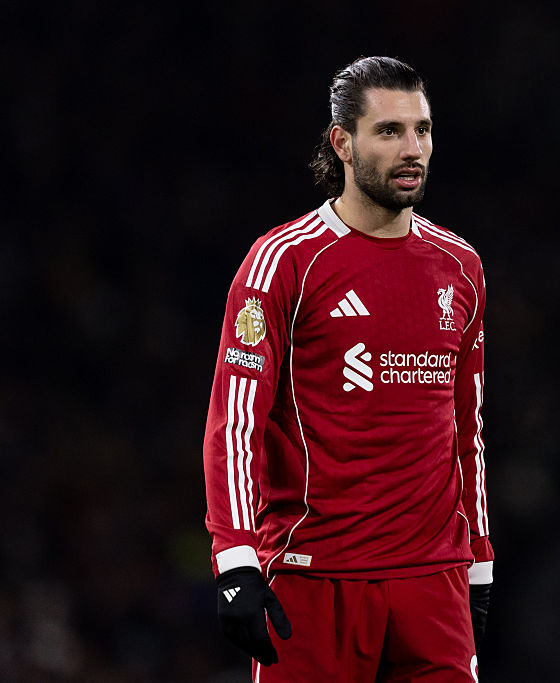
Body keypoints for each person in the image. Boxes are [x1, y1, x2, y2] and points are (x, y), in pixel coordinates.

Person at [202, 56, 492, 682]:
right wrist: (236, 558)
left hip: (432, 582)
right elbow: (236, 422)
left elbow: (466, 428)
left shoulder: (460, 267)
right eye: (389, 131)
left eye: (422, 129)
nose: (412, 149)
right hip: (314, 579)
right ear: (342, 143)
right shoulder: (283, 262)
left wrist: (480, 559)